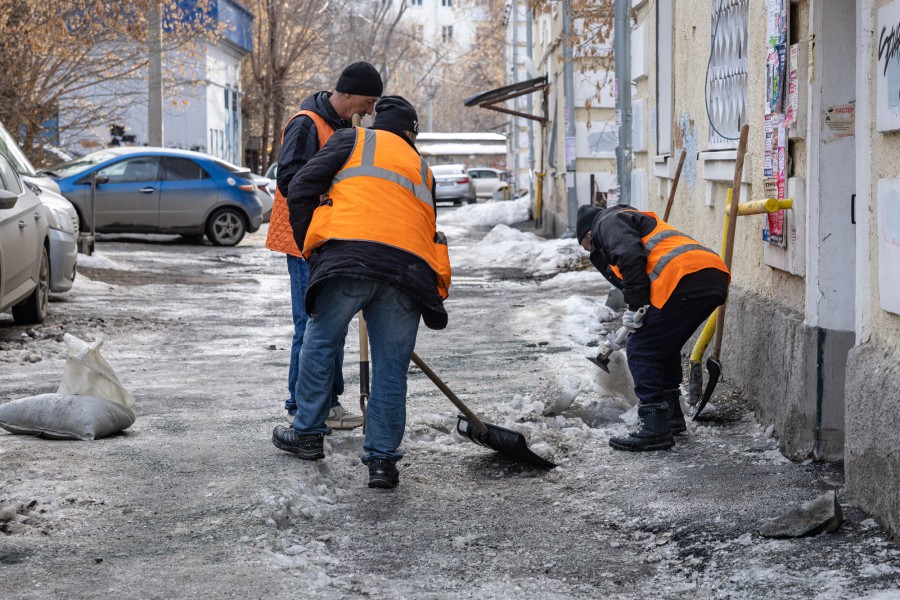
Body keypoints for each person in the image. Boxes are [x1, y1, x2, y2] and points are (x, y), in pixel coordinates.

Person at [273, 96, 450, 489]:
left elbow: (299, 186)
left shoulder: (351, 140)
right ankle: (383, 462)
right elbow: (428, 226)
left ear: (376, 123)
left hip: (347, 258)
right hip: (408, 273)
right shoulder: (424, 169)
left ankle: (307, 435)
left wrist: (310, 247)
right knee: (391, 368)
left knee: (320, 342)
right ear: (410, 134)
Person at [265, 62, 383, 431]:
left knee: (331, 324)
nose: (370, 111)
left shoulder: (342, 127)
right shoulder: (307, 123)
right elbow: (289, 182)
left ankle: (328, 404)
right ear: (347, 93)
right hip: (304, 239)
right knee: (311, 324)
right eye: (368, 101)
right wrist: (332, 193)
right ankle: (301, 406)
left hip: (330, 237)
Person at [576, 203, 730, 452]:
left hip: (683, 277)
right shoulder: (626, 219)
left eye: (588, 247)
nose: (591, 251)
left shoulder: (608, 222)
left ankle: (653, 425)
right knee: (663, 346)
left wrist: (635, 305)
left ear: (588, 234)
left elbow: (629, 255)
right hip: (710, 275)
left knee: (642, 347)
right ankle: (671, 416)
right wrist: (639, 309)